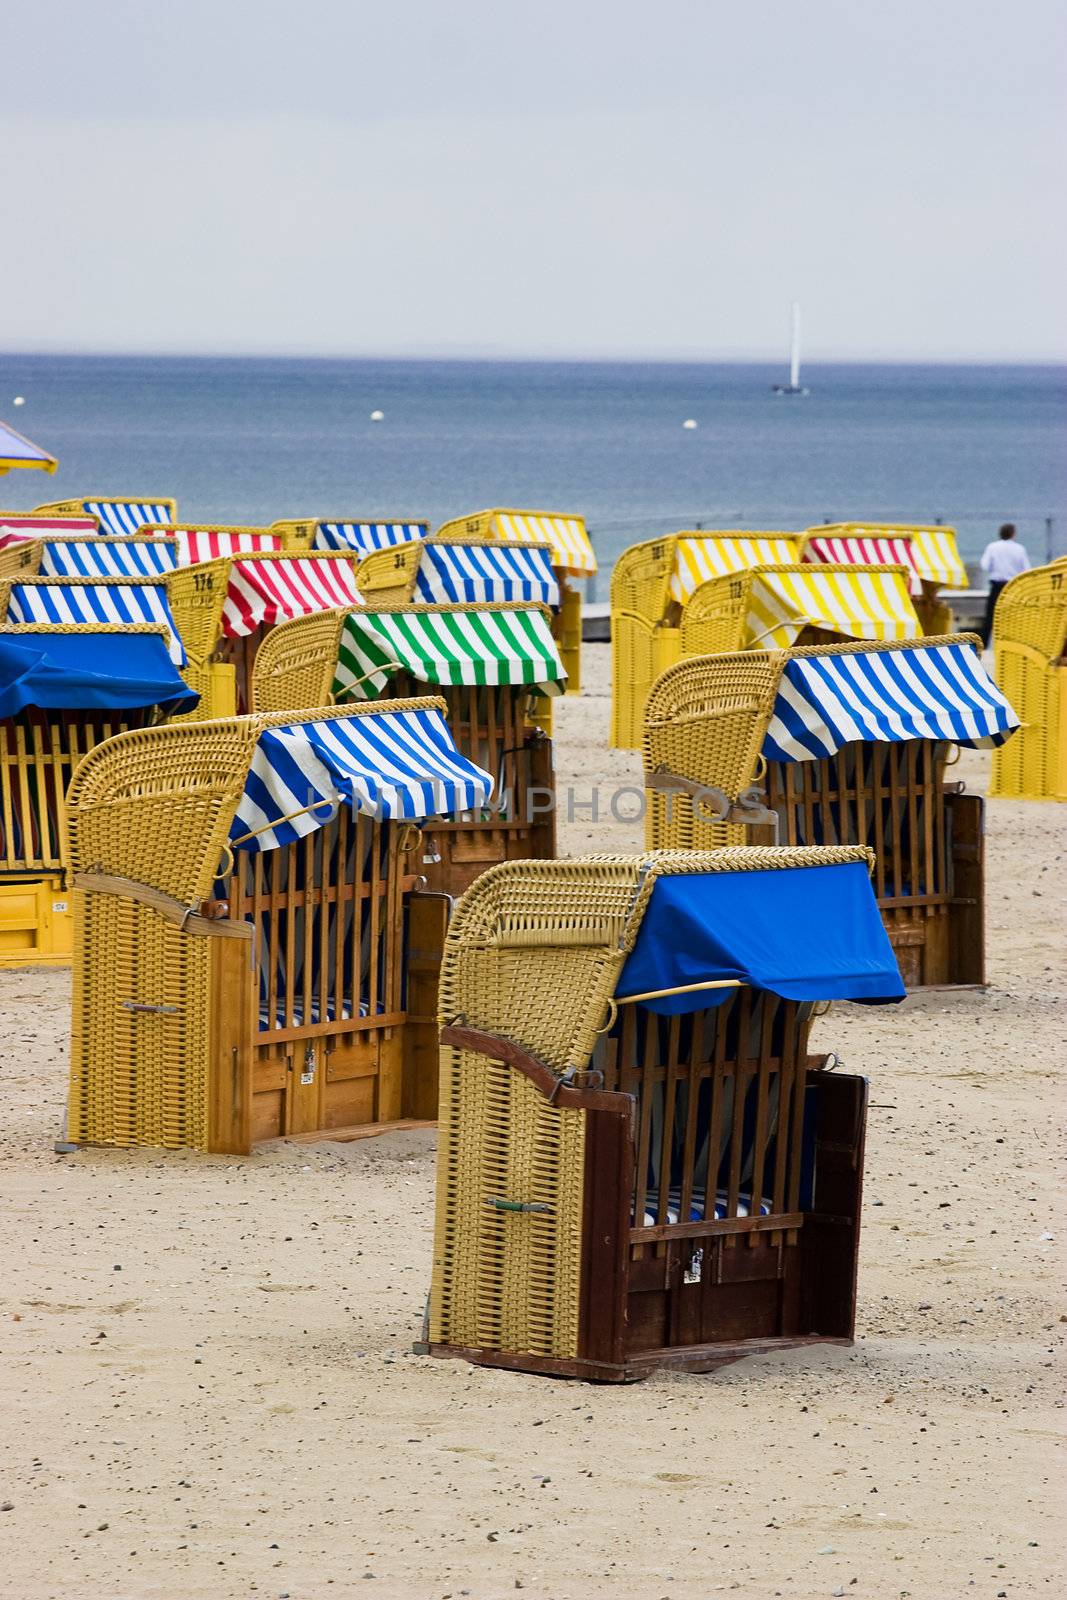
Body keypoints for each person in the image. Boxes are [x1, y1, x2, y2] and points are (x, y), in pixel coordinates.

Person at [979, 523, 1029, 646]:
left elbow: (984, 565)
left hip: (996, 586)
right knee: (1013, 617)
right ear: (1013, 534)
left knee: (990, 617)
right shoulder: (1020, 549)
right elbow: (1026, 569)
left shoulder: (992, 547)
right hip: (1012, 587)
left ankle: (983, 644)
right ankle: (1012, 644)